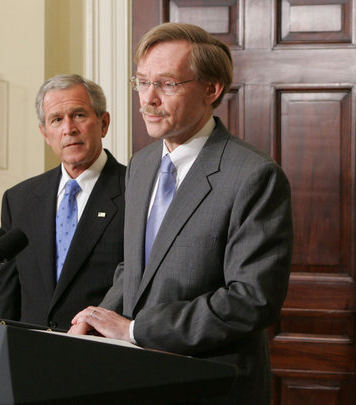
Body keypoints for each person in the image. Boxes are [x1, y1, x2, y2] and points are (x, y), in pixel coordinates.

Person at [69, 23, 293, 404]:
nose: (148, 100)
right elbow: (136, 268)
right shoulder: (140, 166)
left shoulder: (254, 175)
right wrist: (97, 319)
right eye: (141, 82)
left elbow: (251, 299)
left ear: (211, 89)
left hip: (211, 385)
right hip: (135, 380)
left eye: (167, 84)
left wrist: (137, 329)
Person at [0, 74, 126, 331]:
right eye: (56, 120)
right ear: (45, 132)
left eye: (78, 115)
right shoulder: (18, 199)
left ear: (104, 123)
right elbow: (7, 301)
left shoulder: (136, 191)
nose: (68, 129)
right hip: (32, 356)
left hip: (105, 355)